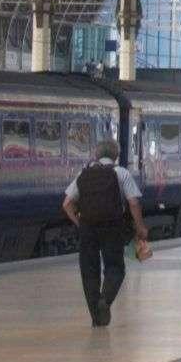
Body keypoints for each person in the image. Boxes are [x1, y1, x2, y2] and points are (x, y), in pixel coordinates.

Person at [60, 139, 149, 327]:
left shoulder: (84, 174)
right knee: (115, 268)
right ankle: (105, 300)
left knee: (89, 272)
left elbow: (67, 204)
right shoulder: (121, 173)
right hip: (112, 227)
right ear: (115, 155)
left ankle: (96, 318)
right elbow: (133, 203)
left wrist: (80, 223)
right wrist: (140, 227)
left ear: (96, 155)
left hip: (87, 229)